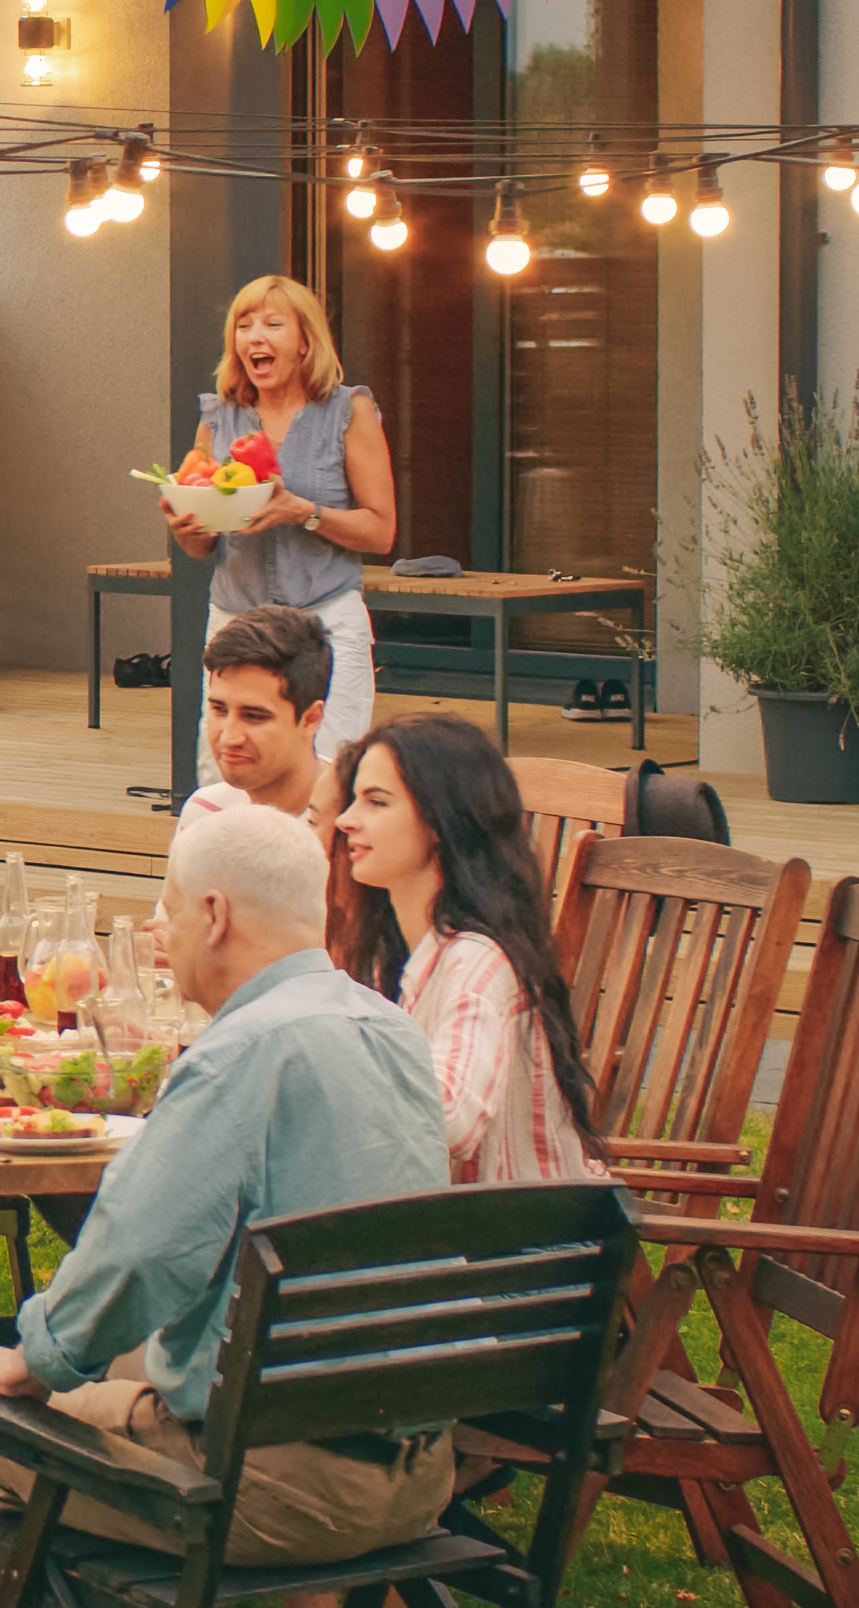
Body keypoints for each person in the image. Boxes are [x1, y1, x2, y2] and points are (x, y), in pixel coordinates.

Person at [0, 802, 452, 1608]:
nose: (158, 929)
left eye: (164, 906)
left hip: (275, 1485)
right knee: (131, 1363)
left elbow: (139, 1252)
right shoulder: (388, 1026)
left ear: (214, 913)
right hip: (414, 1463)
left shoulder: (242, 1052)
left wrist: (35, 1358)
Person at [333, 713, 608, 1187]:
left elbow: (449, 1119)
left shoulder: (476, 962)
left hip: (531, 1247)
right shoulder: (402, 953)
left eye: (376, 802)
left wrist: (319, 1076)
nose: (345, 820)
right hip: (457, 1232)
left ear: (441, 821)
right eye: (353, 800)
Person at [171, 274, 398, 754]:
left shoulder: (348, 411)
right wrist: (185, 524)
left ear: (304, 342)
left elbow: (381, 532)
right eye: (244, 325)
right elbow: (202, 545)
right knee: (230, 773)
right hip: (236, 623)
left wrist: (304, 512)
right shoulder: (218, 417)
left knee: (330, 770)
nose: (255, 336)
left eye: (273, 324)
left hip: (325, 624)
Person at [168, 601, 340, 844]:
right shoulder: (203, 813)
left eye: (254, 717)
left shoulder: (358, 828)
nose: (229, 737)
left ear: (310, 719)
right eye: (219, 709)